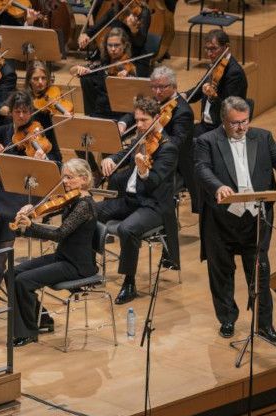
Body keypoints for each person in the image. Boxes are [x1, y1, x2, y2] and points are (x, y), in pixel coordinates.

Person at [194, 96, 276, 341]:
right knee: (221, 273)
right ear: (224, 120)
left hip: (255, 220)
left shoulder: (263, 137)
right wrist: (218, 186)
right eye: (235, 123)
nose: (241, 128)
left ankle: (264, 325)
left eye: (244, 121)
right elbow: (201, 168)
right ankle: (227, 319)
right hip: (220, 221)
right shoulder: (207, 141)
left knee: (260, 273)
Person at [0, 90, 63, 291]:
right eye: (17, 111)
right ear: (11, 112)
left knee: (6, 215)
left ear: (31, 111)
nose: (22, 116)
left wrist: (43, 157)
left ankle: (1, 264)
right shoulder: (4, 131)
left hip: (31, 186)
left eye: (25, 112)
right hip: (7, 184)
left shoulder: (40, 130)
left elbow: (57, 160)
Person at [97, 96, 178, 305]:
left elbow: (154, 182)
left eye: (143, 120)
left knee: (127, 229)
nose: (139, 125)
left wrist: (143, 172)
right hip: (132, 200)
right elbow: (125, 151)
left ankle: (129, 283)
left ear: (157, 117)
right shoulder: (142, 138)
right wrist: (111, 159)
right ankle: (88, 265)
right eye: (137, 119)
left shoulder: (168, 148)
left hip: (154, 205)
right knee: (90, 209)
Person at [11, 159, 98, 347]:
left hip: (77, 265)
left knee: (23, 281)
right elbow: (50, 210)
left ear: (83, 179)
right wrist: (31, 210)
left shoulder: (84, 205)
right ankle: (43, 319)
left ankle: (28, 332)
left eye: (69, 177)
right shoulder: (71, 199)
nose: (64, 182)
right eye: (63, 177)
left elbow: (59, 234)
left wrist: (31, 226)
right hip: (63, 257)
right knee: (13, 273)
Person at [119, 65, 192, 256]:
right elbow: (137, 111)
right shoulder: (155, 102)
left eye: (162, 87)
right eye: (154, 87)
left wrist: (157, 132)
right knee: (117, 178)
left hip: (173, 166)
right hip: (148, 157)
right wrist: (124, 122)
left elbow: (177, 143)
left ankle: (145, 219)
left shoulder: (183, 111)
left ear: (174, 86)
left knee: (143, 179)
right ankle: (127, 208)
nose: (157, 92)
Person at [189, 30, 248, 137]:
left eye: (213, 49)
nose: (209, 53)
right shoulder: (216, 64)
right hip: (206, 125)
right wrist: (184, 96)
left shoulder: (234, 73)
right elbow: (200, 87)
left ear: (226, 47)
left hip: (221, 129)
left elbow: (230, 110)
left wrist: (213, 97)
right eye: (207, 49)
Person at [71, 27, 136, 122]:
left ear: (125, 45)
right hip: (99, 113)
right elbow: (72, 71)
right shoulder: (102, 64)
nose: (113, 49)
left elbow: (133, 99)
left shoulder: (129, 68)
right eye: (110, 45)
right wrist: (78, 68)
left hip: (120, 116)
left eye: (117, 45)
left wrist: (126, 80)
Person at [78, 0, 152, 76]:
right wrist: (85, 34)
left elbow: (140, 43)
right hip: (115, 57)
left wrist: (133, 29)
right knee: (91, 75)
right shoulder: (115, 10)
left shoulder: (143, 12)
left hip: (135, 58)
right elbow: (96, 27)